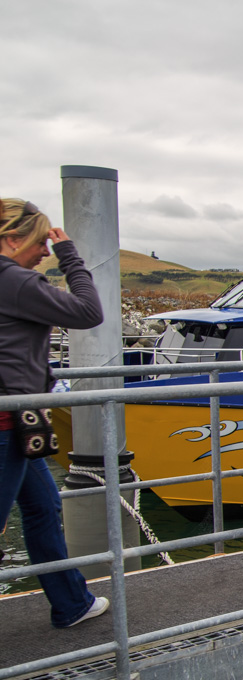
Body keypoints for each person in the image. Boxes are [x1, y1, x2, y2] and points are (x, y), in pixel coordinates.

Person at [0, 198, 109, 628]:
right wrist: (70, 256)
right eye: (40, 241)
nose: (45, 251)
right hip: (9, 421)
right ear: (11, 239)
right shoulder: (13, 280)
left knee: (44, 510)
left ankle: (71, 604)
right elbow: (88, 312)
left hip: (22, 419)